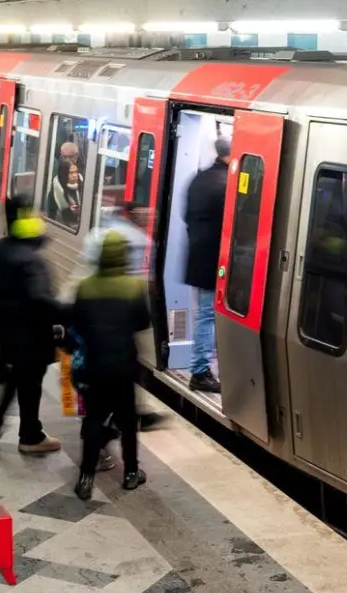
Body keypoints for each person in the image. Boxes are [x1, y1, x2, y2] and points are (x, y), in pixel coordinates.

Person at [71, 231, 153, 500]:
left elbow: (77, 322)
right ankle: (131, 473)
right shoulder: (134, 287)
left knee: (94, 420)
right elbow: (143, 322)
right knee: (128, 422)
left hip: (95, 365)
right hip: (124, 366)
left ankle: (85, 478)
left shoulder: (85, 287)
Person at [0, 193, 63, 455]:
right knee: (30, 385)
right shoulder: (30, 260)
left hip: (5, 333)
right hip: (31, 336)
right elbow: (41, 300)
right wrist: (68, 314)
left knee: (14, 377)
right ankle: (30, 437)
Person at [84, 202, 166, 432]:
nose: (150, 218)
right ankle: (129, 416)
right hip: (125, 323)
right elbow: (143, 315)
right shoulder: (140, 240)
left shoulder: (95, 236)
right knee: (132, 366)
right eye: (145, 213)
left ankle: (100, 420)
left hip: (98, 328)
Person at [183, 137, 230, 393]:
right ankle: (200, 371)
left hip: (200, 254)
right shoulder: (225, 183)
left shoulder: (200, 178)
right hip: (215, 259)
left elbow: (186, 216)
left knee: (207, 313)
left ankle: (204, 367)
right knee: (208, 314)